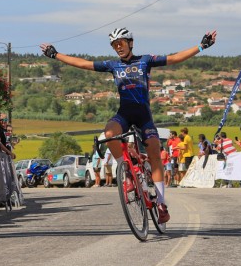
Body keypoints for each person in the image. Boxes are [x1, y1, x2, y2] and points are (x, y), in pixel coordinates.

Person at [41, 26, 217, 224]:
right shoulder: (112, 65)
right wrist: (56, 55)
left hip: (144, 116)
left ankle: (160, 203)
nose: (118, 47)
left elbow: (175, 58)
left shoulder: (145, 61)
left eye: (121, 43)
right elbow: (82, 63)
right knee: (109, 134)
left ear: (130, 43)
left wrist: (201, 46)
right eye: (115, 45)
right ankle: (127, 170)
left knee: (154, 155)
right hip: (124, 114)